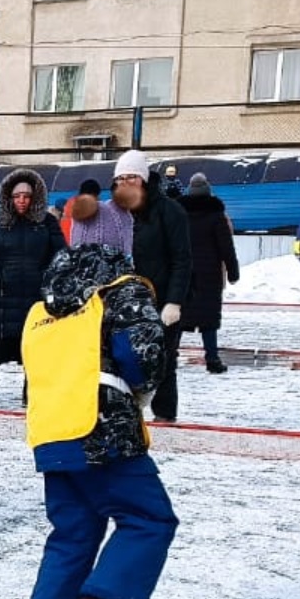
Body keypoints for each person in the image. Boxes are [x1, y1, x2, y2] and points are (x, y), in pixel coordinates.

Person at [17, 240, 177, 599]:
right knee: (150, 519)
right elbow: (144, 358)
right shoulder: (123, 291)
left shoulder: (44, 308)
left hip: (51, 431)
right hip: (103, 427)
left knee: (73, 532)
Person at [0, 168, 67, 404]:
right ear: (8, 197)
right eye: (17, 196)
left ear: (35, 197)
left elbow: (61, 255)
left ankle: (31, 396)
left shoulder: (47, 223)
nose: (22, 201)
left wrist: (46, 279)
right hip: (2, 299)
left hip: (35, 299)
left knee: (36, 351)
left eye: (26, 196)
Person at [113, 150, 192, 422]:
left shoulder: (170, 211)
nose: (127, 183)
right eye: (121, 178)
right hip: (126, 299)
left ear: (144, 179)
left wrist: (174, 301)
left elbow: (183, 259)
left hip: (161, 297)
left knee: (163, 358)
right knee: (122, 355)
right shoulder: (117, 213)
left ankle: (165, 414)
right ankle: (125, 412)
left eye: (132, 177)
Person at [176, 173, 241, 372]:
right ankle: (212, 360)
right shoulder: (216, 215)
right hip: (209, 273)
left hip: (184, 271)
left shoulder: (179, 213)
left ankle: (170, 356)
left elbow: (171, 242)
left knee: (178, 315)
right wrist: (233, 271)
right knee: (209, 318)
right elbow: (226, 246)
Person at [59, 179, 102, 246]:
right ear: (94, 194)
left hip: (65, 242)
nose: (99, 198)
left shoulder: (70, 203)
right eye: (98, 195)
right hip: (78, 244)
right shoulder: (89, 204)